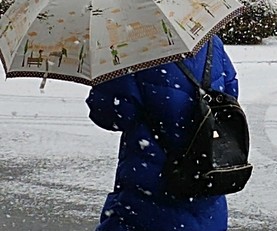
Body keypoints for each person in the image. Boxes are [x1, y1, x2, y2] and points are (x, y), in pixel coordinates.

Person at [86, 35, 238, 231]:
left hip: (150, 193)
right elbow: (230, 93)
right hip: (206, 183)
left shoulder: (130, 50)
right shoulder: (209, 42)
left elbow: (110, 114)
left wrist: (105, 74)